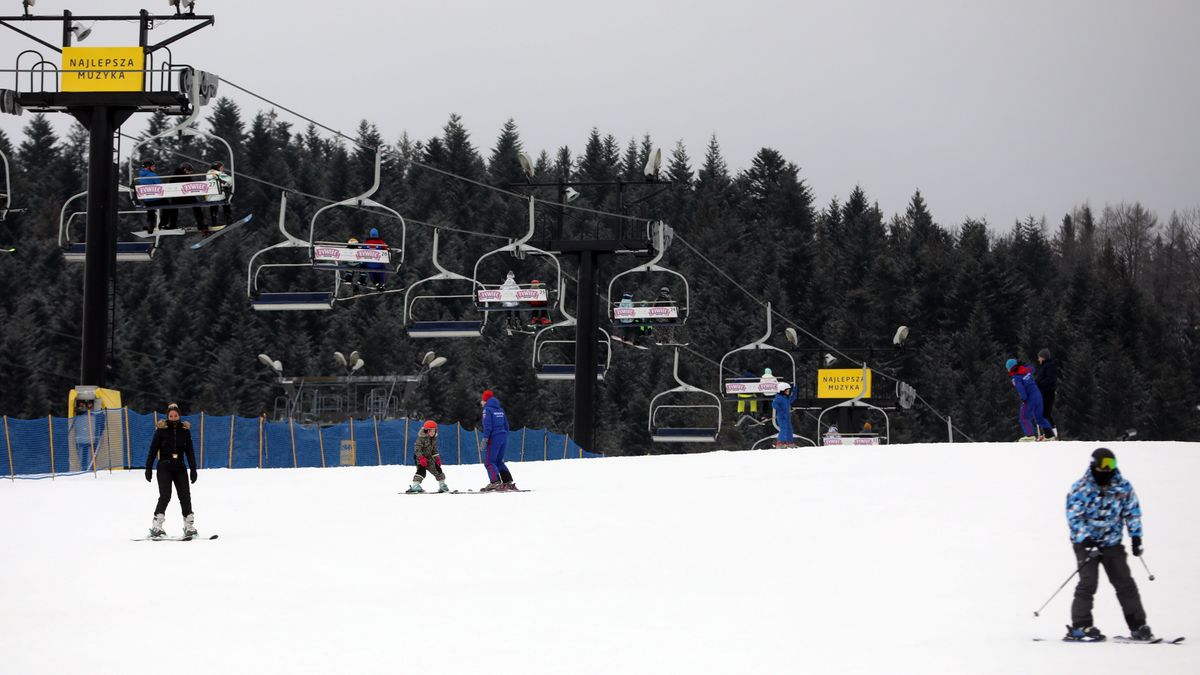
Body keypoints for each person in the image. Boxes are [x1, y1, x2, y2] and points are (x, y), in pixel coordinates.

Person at [1064, 448, 1153, 642]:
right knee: (1088, 583)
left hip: (1112, 544)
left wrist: (1136, 537)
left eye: (1111, 465)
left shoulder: (1123, 487)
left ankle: (1138, 625)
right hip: (1087, 544)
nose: (1107, 470)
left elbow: (1132, 512)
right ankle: (1081, 626)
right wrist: (1086, 539)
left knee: (1125, 584)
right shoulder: (1081, 488)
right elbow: (1074, 516)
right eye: (1103, 465)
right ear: (1094, 465)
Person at [144, 403, 198, 539]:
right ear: (167, 416)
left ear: (179, 416)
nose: (173, 418)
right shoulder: (161, 430)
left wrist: (193, 469)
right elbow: (153, 450)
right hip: (164, 467)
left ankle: (189, 526)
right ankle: (157, 527)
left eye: (176, 415)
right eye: (171, 416)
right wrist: (148, 468)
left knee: (185, 496)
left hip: (180, 467)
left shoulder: (185, 430)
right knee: (165, 496)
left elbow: (190, 451)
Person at [1006, 358, 1056, 441]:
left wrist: (1024, 399)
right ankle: (1050, 435)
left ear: (1010, 368)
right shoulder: (1026, 371)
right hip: (1038, 396)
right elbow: (1032, 368)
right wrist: (1024, 364)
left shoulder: (1016, 377)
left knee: (1023, 417)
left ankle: (1030, 436)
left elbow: (1020, 389)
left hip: (1030, 398)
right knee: (1040, 417)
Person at [480, 390, 517, 491]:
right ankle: (507, 481)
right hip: (503, 436)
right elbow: (506, 425)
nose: (481, 402)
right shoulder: (500, 409)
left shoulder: (487, 410)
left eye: (482, 399)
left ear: (485, 400)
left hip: (494, 437)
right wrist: (503, 436)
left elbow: (488, 427)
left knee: (489, 462)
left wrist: (485, 439)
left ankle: (495, 482)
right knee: (499, 461)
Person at [160, 163, 208, 232]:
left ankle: (173, 224)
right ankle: (200, 223)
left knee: (174, 206)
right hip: (181, 198)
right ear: (184, 170)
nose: (189, 174)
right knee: (195, 204)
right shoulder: (179, 177)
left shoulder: (176, 176)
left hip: (178, 199)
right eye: (189, 172)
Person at [406, 420, 449, 494]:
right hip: (420, 458)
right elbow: (417, 449)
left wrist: (437, 459)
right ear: (426, 431)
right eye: (431, 431)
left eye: (434, 431)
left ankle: (442, 485)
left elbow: (434, 450)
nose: (433, 433)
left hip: (429, 458)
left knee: (437, 469)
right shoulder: (421, 439)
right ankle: (415, 485)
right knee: (421, 471)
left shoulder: (433, 439)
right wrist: (421, 458)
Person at [205, 161, 234, 227]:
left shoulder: (208, 174)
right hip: (218, 195)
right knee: (226, 201)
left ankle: (213, 220)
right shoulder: (217, 173)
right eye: (221, 168)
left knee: (214, 205)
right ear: (217, 168)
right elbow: (230, 179)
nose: (222, 169)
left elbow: (215, 182)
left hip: (209, 197)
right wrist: (228, 183)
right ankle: (228, 217)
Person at [1036, 348, 1058, 430]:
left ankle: (1052, 434)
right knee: (1044, 414)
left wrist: (1039, 384)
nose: (1038, 359)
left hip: (1048, 393)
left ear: (1043, 357)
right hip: (1043, 393)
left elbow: (1050, 380)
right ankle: (1048, 434)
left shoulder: (1049, 366)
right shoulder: (1044, 367)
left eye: (1039, 357)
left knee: (1046, 413)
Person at [772, 382, 799, 448]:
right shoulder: (778, 397)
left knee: (789, 429)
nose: (788, 392)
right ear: (782, 391)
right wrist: (781, 410)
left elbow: (792, 398)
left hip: (787, 416)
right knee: (784, 429)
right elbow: (774, 404)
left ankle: (789, 442)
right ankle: (780, 443)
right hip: (782, 417)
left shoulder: (786, 398)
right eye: (787, 391)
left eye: (789, 391)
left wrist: (795, 390)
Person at [137, 160, 161, 233]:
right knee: (168, 204)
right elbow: (159, 186)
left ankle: (150, 224)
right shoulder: (153, 175)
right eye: (153, 166)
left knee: (151, 209)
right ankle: (164, 222)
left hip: (147, 200)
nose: (154, 168)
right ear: (148, 167)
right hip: (155, 199)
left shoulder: (141, 177)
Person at [363, 227, 388, 292]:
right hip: (379, 264)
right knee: (383, 269)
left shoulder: (366, 243)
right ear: (377, 235)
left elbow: (361, 250)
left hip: (369, 264)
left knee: (371, 269)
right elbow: (386, 250)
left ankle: (376, 282)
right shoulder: (381, 242)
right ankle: (381, 282)